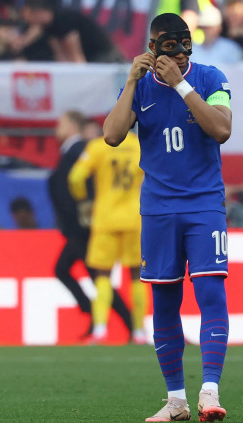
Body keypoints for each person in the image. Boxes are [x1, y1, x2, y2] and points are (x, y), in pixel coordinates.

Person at [103, 12, 232, 422]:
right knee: (164, 302)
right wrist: (130, 82)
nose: (177, 52)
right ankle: (176, 401)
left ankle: (209, 392)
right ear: (152, 46)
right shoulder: (141, 87)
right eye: (168, 44)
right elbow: (111, 135)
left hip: (204, 204)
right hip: (159, 209)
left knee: (211, 292)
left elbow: (222, 129)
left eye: (183, 43)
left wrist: (181, 85)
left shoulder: (211, 78)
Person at [48, 110, 133, 339]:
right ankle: (111, 320)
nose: (57, 127)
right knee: (69, 271)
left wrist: (84, 219)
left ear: (72, 126)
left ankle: (124, 324)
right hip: (78, 227)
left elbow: (84, 184)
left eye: (61, 123)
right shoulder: (73, 150)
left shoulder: (80, 150)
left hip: (82, 228)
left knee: (96, 276)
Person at [68, 131, 148, 344]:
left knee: (102, 274)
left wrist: (82, 200)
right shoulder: (139, 146)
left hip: (105, 219)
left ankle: (100, 329)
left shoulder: (98, 146)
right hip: (134, 218)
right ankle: (139, 332)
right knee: (137, 275)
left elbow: (75, 177)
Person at [19, 0, 123, 63]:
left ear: (38, 12)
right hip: (91, 59)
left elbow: (76, 57)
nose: (28, 21)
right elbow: (61, 56)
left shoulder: (63, 20)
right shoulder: (48, 27)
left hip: (105, 57)